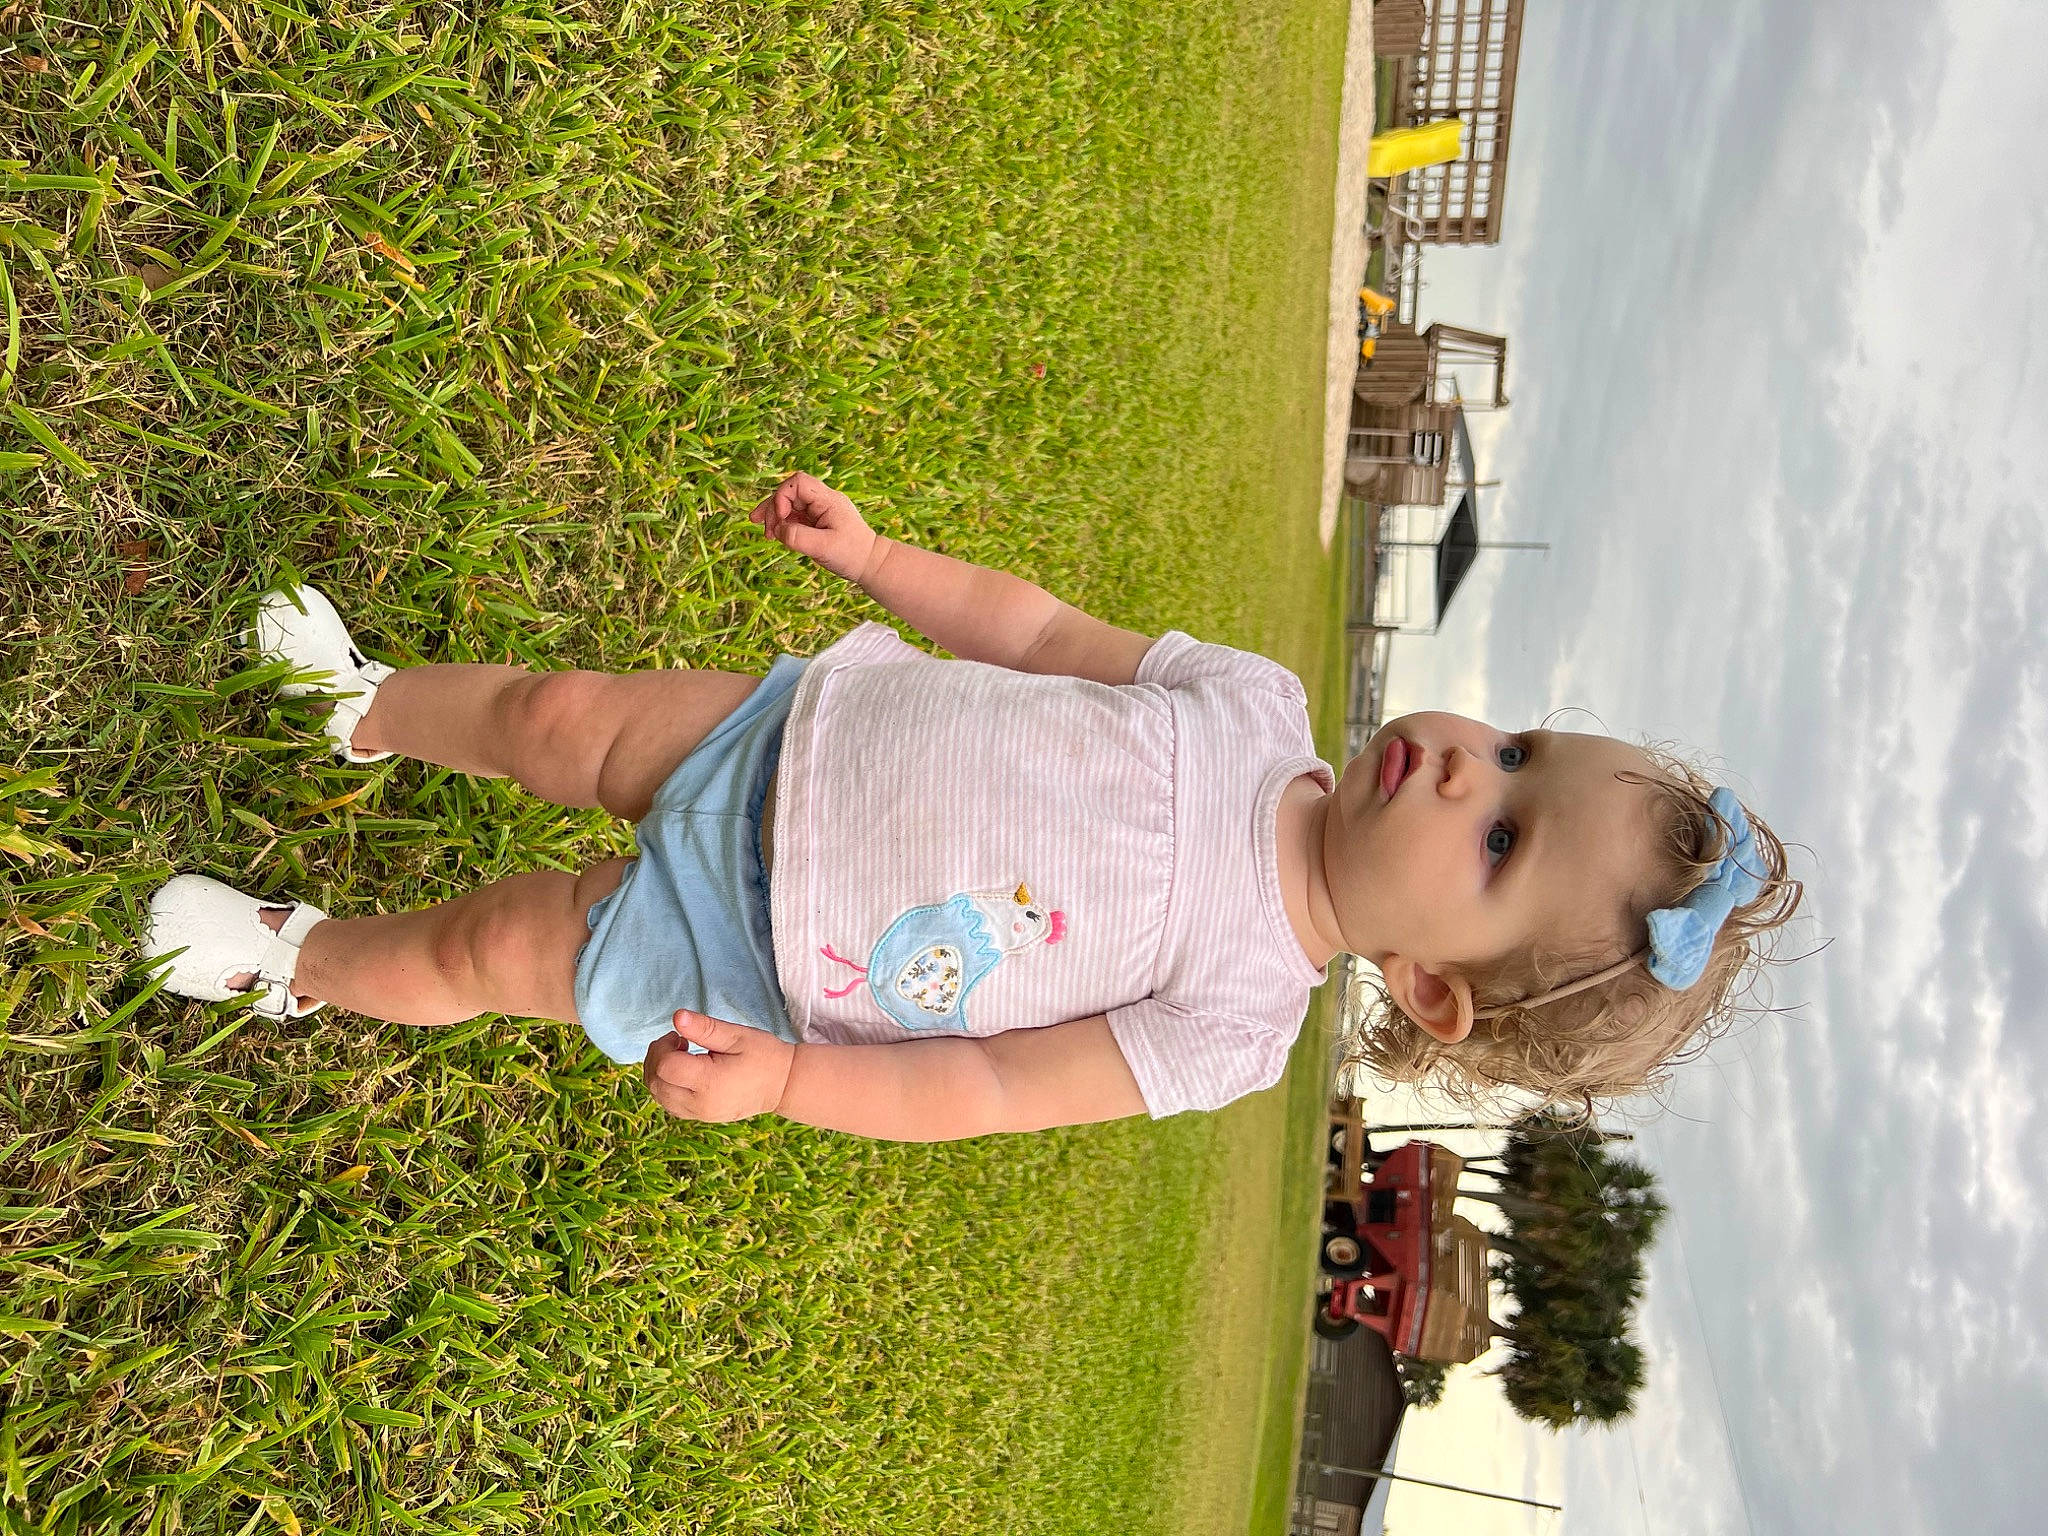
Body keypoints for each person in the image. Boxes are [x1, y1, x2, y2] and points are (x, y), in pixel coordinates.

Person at [141, 474, 1801, 1138]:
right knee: (553, 715)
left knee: (497, 950)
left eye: (1499, 837)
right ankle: (363, 705)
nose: (1463, 762)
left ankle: (294, 958)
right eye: (1517, 745)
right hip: (790, 737)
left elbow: (996, 1085)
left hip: (762, 958)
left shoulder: (1235, 1023)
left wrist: (793, 1081)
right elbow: (1044, 633)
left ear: (1433, 989)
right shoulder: (1254, 706)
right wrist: (882, 563)